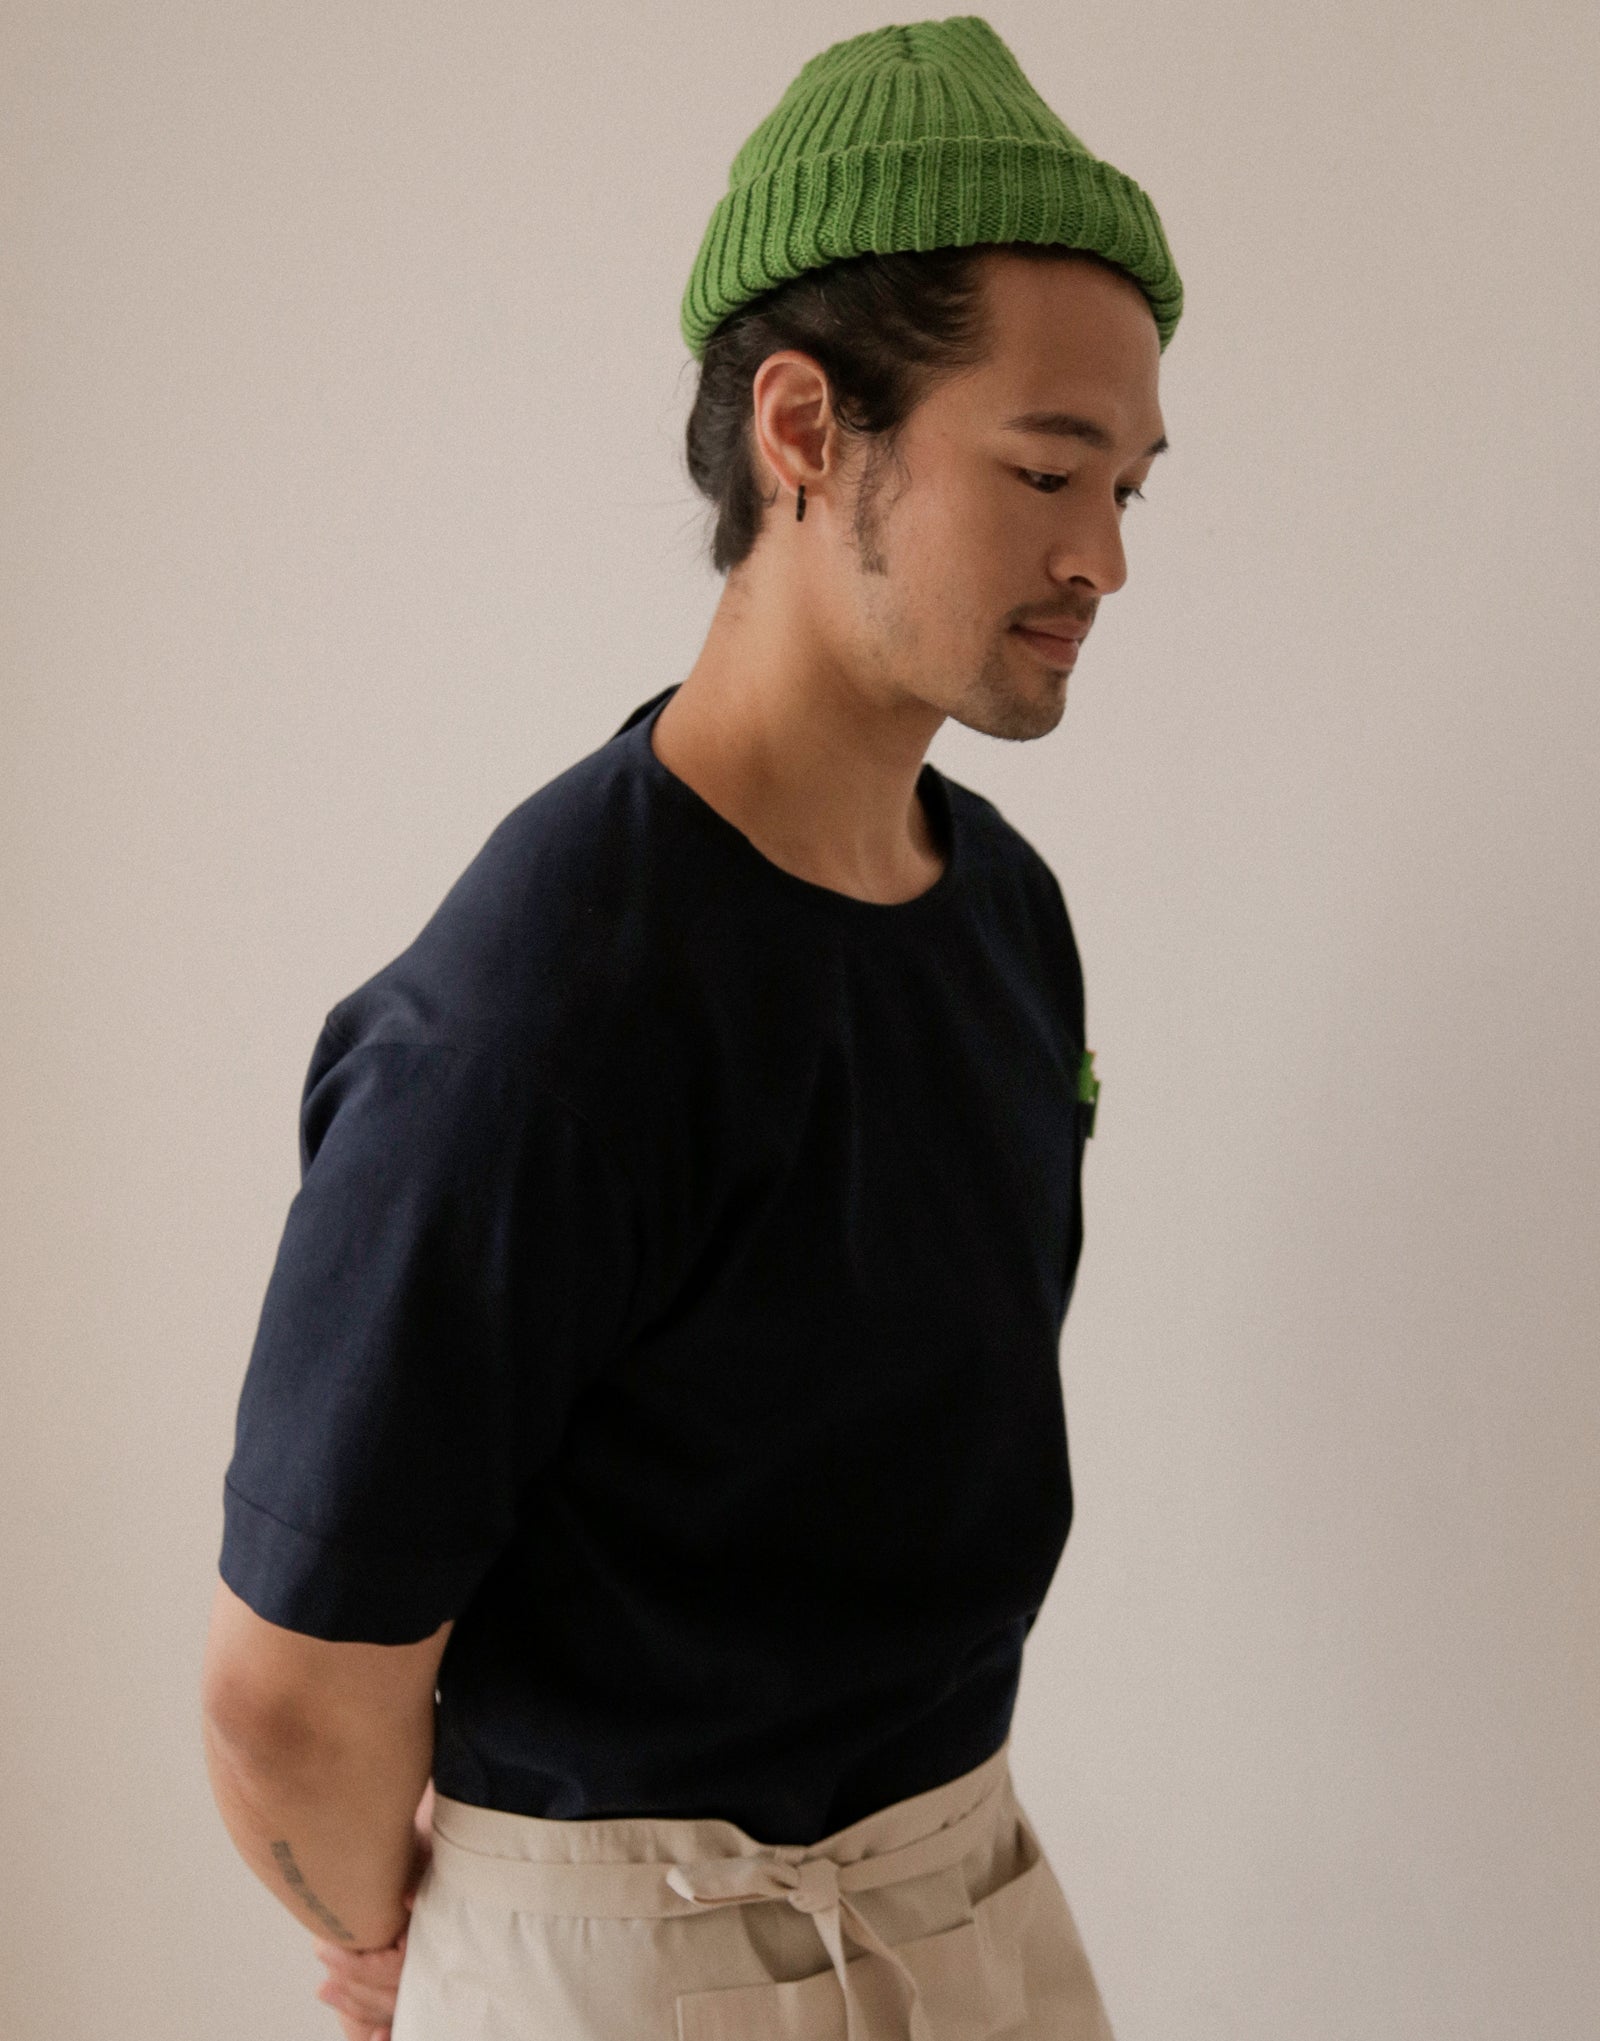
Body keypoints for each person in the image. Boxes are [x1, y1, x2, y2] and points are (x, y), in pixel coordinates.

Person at [199, 15, 1179, 2038]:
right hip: (630, 1963)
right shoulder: (538, 1010)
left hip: (972, 1895)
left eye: (1127, 486)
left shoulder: (1002, 912)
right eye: (1043, 470)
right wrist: (423, 1950)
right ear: (804, 428)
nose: (1101, 554)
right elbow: (288, 1689)